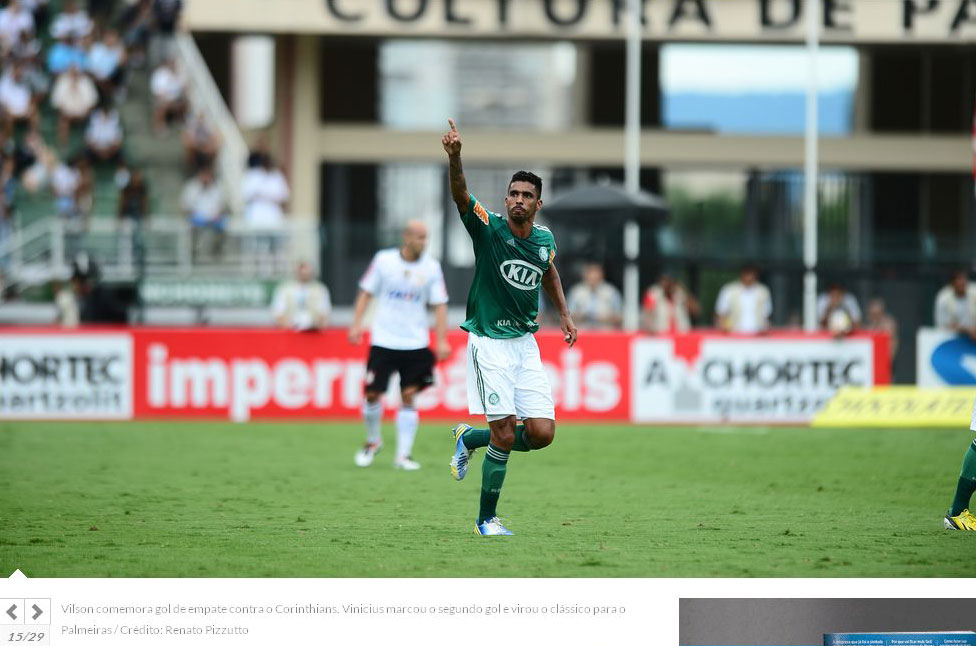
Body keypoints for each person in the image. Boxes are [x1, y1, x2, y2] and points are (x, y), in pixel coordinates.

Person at [441, 118, 577, 536]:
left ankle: (469, 438)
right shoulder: (489, 227)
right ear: (507, 198)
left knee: (541, 433)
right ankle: (486, 520)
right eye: (514, 194)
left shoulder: (544, 239)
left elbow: (548, 272)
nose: (519, 200)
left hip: (525, 344)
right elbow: (462, 196)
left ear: (538, 203)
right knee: (504, 433)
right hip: (489, 343)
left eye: (527, 196)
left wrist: (565, 315)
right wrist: (456, 157)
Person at [347, 220, 450, 471]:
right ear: (406, 237)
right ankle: (373, 441)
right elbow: (365, 292)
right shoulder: (384, 261)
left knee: (408, 396)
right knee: (372, 393)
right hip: (384, 340)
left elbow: (439, 304)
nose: (423, 243)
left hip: (415, 343)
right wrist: (357, 323)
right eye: (418, 237)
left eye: (426, 238)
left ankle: (403, 455)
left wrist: (441, 339)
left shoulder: (432, 267)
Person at [180, 164, 226, 260]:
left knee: (223, 224)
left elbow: (222, 207)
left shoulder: (218, 187)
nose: (206, 178)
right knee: (193, 224)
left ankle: (217, 250)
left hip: (214, 218)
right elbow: (185, 207)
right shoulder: (192, 187)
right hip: (197, 218)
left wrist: (216, 215)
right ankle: (194, 251)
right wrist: (198, 216)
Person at [271, 260, 331, 331]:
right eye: (301, 270)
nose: (304, 273)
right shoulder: (284, 289)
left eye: (307, 270)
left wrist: (315, 325)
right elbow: (278, 313)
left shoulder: (320, 290)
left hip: (313, 334)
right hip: (289, 333)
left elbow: (324, 314)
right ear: (296, 271)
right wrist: (291, 326)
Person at [714, 264, 771, 334]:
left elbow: (766, 315)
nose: (749, 276)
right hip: (734, 334)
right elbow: (720, 313)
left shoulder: (763, 291)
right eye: (746, 273)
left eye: (751, 273)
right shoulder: (729, 290)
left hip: (757, 334)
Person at [565, 261, 622, 330]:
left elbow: (619, 318)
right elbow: (567, 316)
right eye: (590, 275)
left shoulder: (611, 292)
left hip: (605, 333)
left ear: (602, 276)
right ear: (585, 276)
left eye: (596, 276)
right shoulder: (576, 292)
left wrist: (605, 317)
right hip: (581, 333)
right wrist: (583, 316)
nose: (593, 278)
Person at [935, 269, 976, 340]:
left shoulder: (974, 292)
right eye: (959, 279)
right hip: (952, 341)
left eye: (964, 279)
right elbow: (941, 326)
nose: (962, 283)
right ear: (952, 283)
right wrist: (967, 330)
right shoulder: (943, 298)